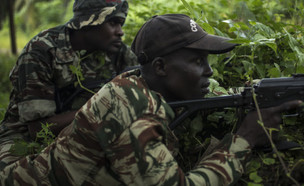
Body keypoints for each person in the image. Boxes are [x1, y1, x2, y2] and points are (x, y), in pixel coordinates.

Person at [0, 14, 301, 185]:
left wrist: (258, 97)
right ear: (160, 67)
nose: (209, 70)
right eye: (197, 61)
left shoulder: (152, 85)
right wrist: (245, 138)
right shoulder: (130, 111)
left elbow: (221, 95)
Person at [0, 0, 137, 170]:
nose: (120, 32)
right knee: (14, 174)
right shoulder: (42, 50)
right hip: (24, 137)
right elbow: (38, 129)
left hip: (88, 131)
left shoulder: (117, 53)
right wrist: (100, 107)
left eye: (121, 24)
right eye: (113, 23)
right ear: (88, 23)